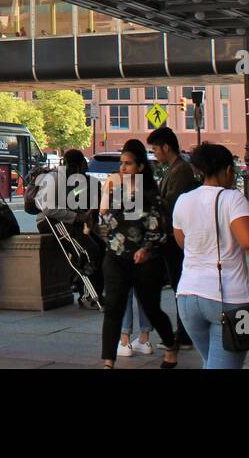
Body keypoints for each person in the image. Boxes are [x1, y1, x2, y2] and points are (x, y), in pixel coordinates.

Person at [173, 143, 249, 369]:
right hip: (227, 299)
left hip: (187, 298)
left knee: (212, 362)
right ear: (228, 170)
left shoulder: (183, 200)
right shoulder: (232, 199)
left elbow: (182, 242)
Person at [98, 140, 178, 369]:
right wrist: (107, 190)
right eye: (122, 163)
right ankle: (108, 361)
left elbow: (159, 231)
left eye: (129, 164)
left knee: (151, 308)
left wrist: (146, 249)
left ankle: (170, 345)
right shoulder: (116, 190)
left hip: (144, 262)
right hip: (115, 257)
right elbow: (104, 218)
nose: (123, 168)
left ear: (141, 167)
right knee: (113, 307)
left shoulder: (151, 196)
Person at [36, 148, 105, 308]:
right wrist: (77, 217)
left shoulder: (73, 180)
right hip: (52, 221)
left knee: (99, 247)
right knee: (87, 251)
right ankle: (88, 296)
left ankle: (95, 293)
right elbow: (49, 209)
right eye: (84, 166)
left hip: (68, 221)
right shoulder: (55, 178)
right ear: (79, 166)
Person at [150, 126, 196, 349]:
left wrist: (152, 199)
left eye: (156, 149)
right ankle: (183, 331)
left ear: (166, 147)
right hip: (171, 235)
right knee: (177, 283)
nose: (155, 153)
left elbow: (172, 203)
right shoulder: (173, 169)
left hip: (175, 236)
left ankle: (185, 334)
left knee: (180, 284)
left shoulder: (181, 170)